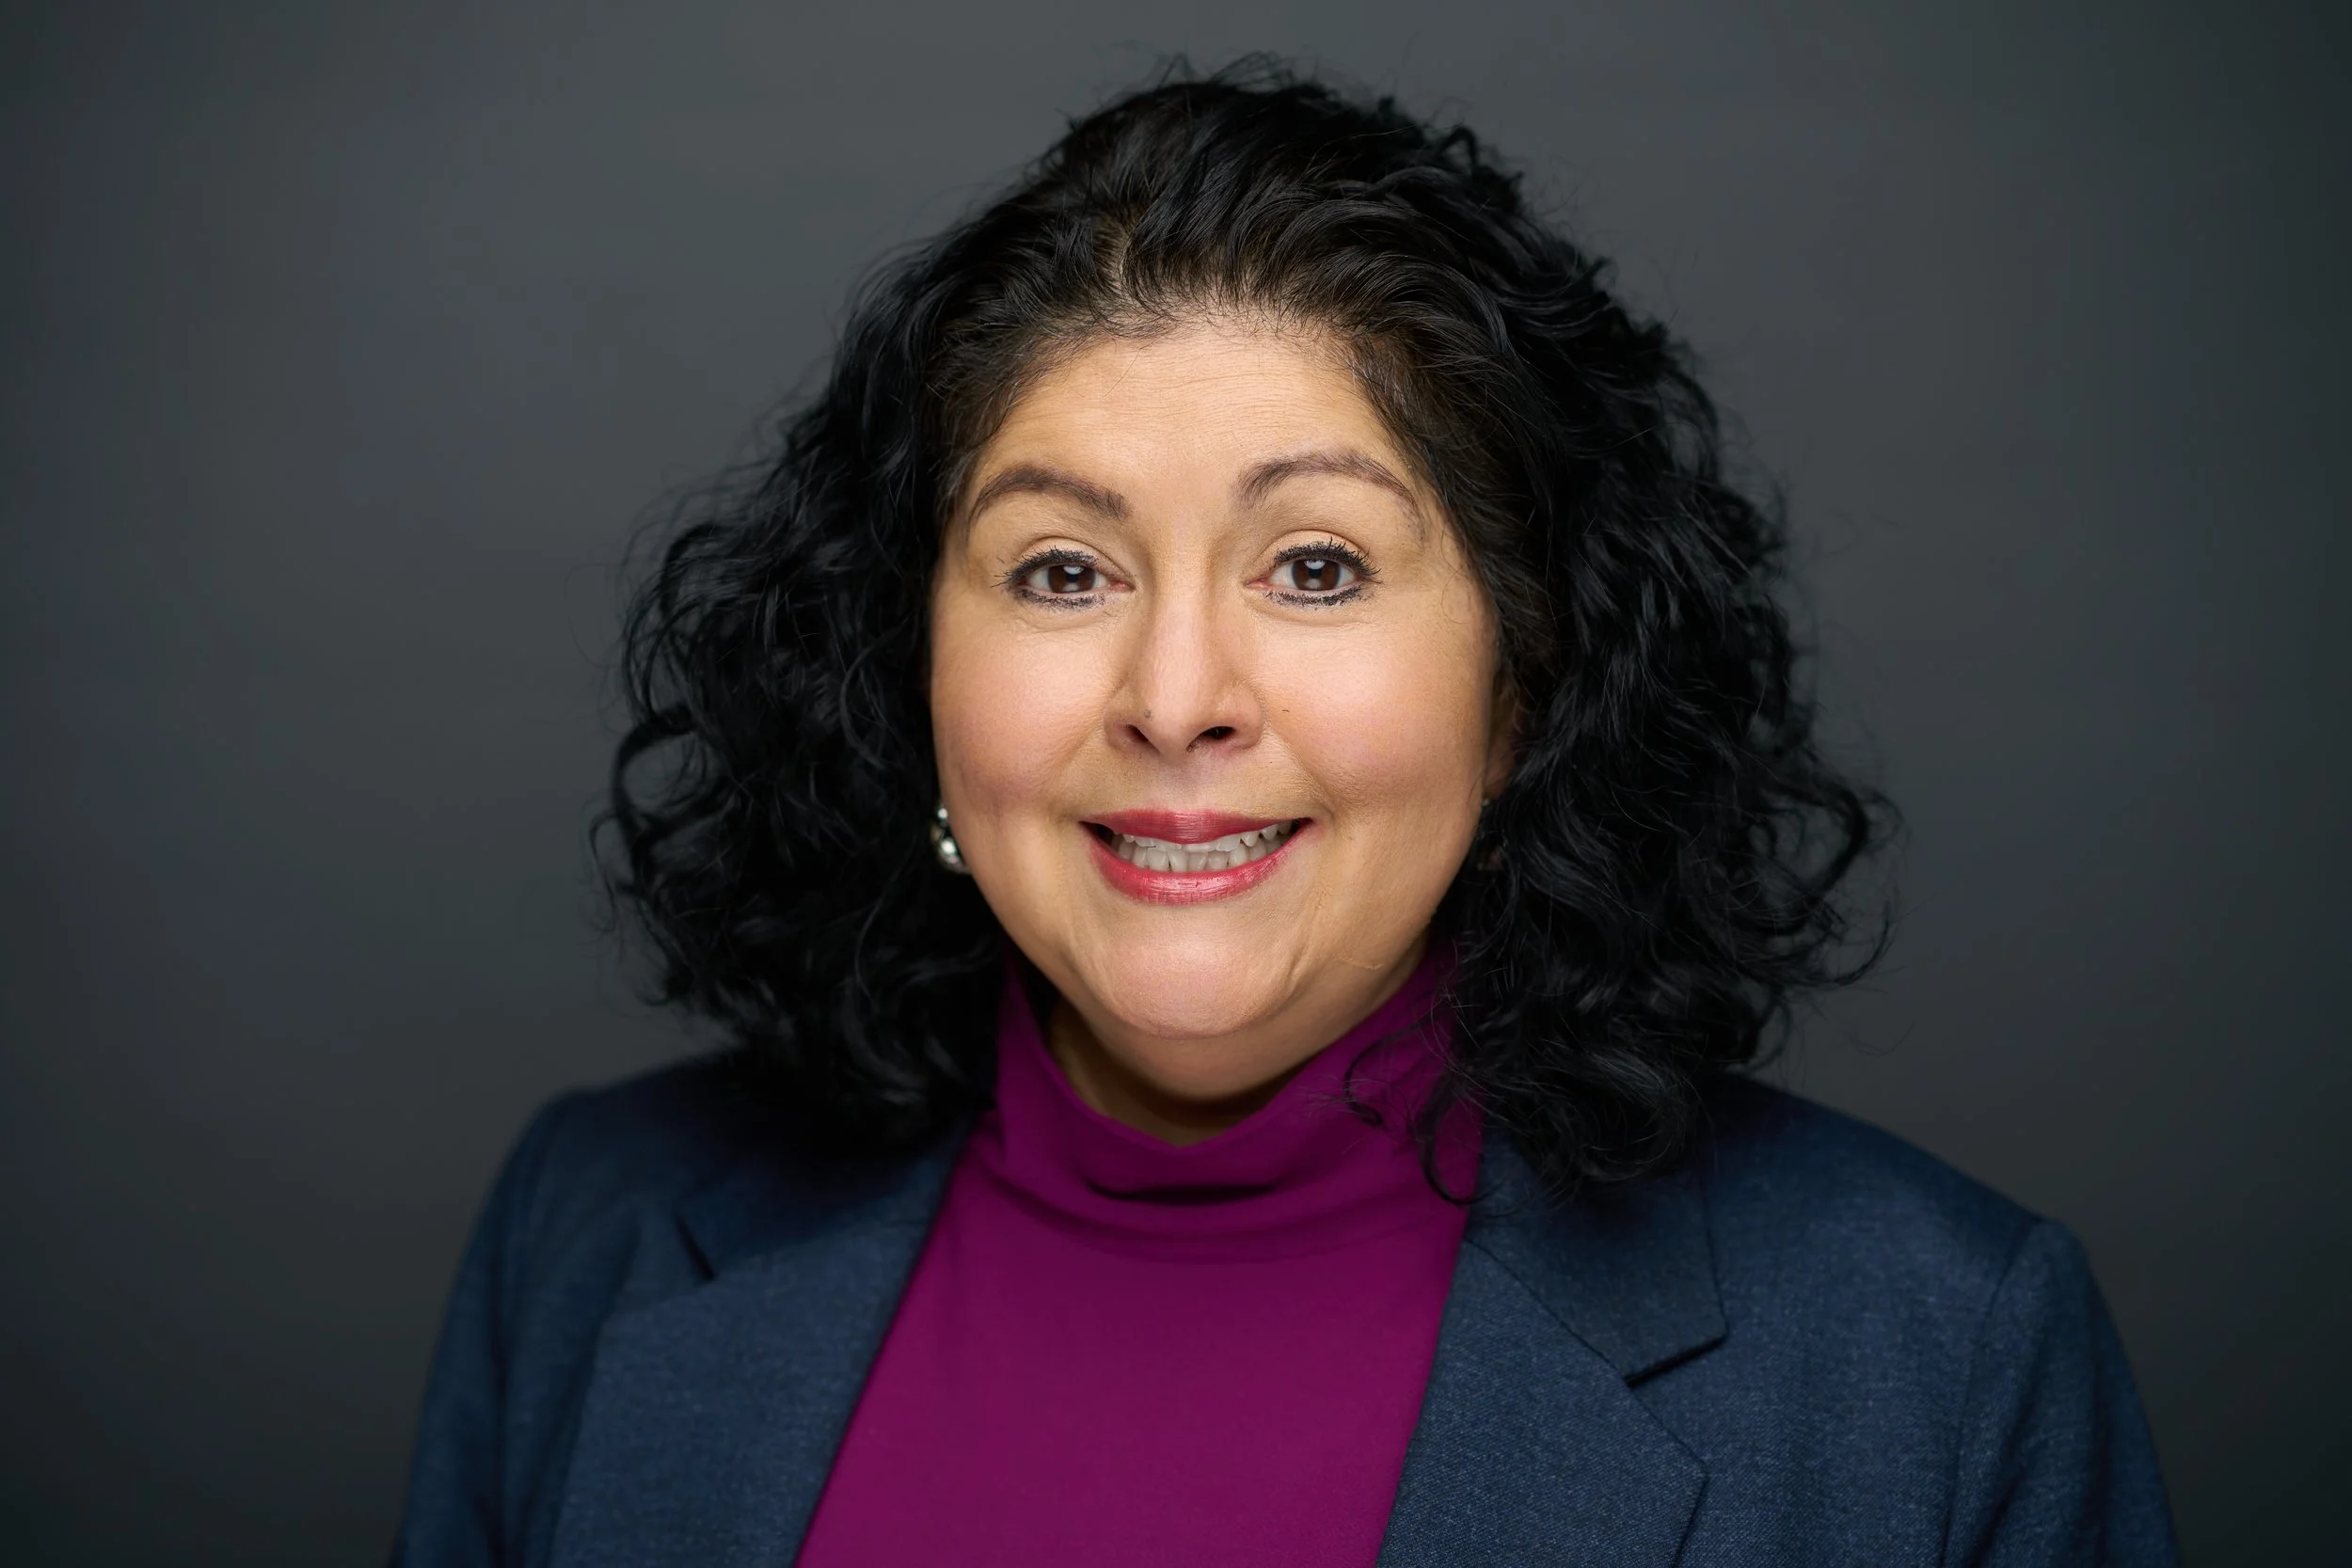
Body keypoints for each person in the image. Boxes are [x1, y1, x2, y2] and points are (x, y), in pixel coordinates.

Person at [392, 63, 2178, 1567]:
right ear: (908, 666)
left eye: (1316, 566)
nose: (1176, 695)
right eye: (1062, 568)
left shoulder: (1939, 1356)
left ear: (1528, 677)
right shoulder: (595, 1234)